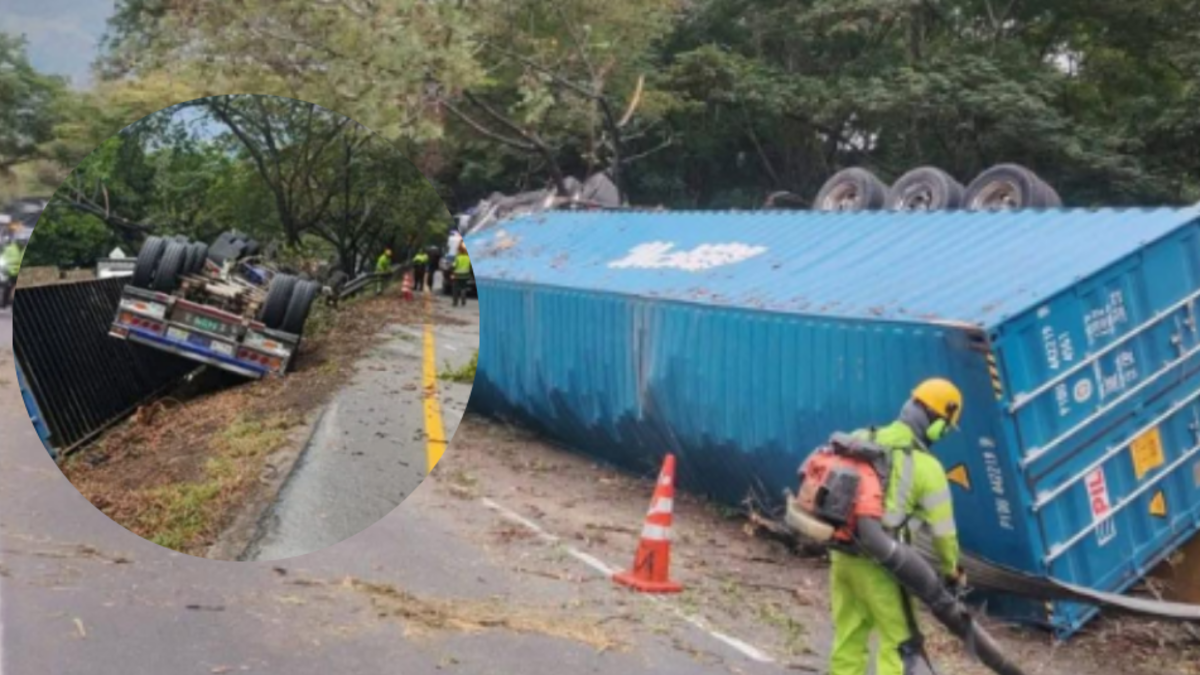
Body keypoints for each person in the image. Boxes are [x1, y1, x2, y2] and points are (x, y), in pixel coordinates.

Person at [829, 378, 964, 675]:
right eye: (945, 428)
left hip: (842, 555)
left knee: (849, 636)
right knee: (901, 645)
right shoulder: (928, 469)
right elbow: (944, 536)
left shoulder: (861, 436)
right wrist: (951, 571)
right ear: (936, 424)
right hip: (882, 567)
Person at [1, 236, 24, 309]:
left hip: (17, 273)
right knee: (7, 287)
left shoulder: (23, 249)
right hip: (8, 272)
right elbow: (3, 260)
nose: (22, 243)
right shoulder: (10, 249)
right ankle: (4, 303)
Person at [451, 242, 471, 307]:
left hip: (457, 275)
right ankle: (463, 300)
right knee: (463, 288)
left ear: (459, 251)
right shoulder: (468, 258)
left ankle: (455, 302)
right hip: (465, 275)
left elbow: (454, 265)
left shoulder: (457, 257)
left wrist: (452, 272)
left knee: (455, 289)